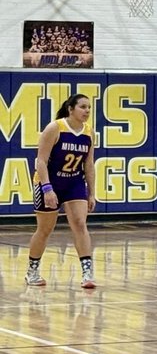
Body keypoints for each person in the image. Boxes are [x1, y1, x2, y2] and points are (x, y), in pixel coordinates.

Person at [24, 94, 98, 289]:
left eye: (89, 107)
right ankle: (32, 270)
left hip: (74, 181)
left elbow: (89, 165)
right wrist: (47, 189)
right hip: (48, 181)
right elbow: (40, 161)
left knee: (80, 224)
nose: (87, 111)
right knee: (45, 229)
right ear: (70, 109)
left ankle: (87, 273)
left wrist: (91, 192)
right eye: (83, 107)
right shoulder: (55, 128)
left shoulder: (89, 132)